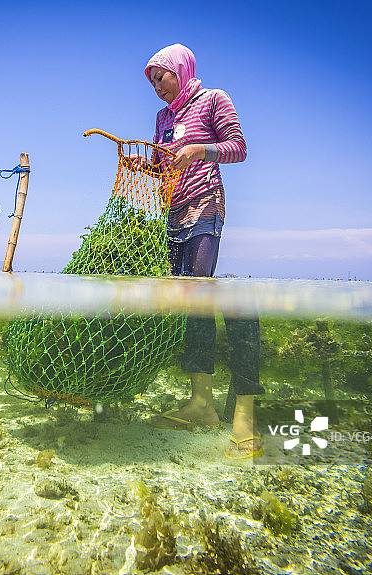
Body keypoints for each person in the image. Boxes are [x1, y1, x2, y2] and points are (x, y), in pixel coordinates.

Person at [132, 43, 265, 459]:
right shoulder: (163, 117)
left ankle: (242, 414)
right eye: (151, 81)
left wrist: (200, 150)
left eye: (161, 77)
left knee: (202, 295)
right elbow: (167, 163)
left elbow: (238, 149)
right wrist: (148, 166)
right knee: (189, 304)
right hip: (172, 213)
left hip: (205, 206)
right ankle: (202, 404)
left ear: (181, 70)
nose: (156, 87)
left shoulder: (212, 100)